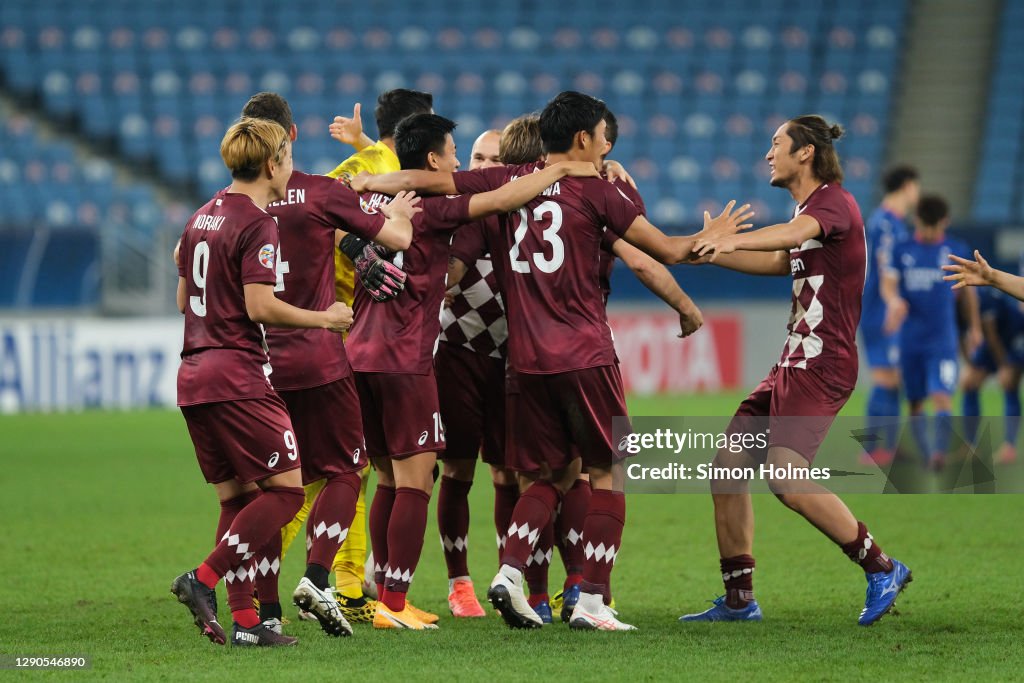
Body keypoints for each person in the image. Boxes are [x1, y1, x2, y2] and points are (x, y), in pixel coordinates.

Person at [352, 91, 751, 631]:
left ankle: (511, 572)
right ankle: (590, 600)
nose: (609, 145)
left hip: (524, 358)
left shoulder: (505, 184)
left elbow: (428, 182)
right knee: (609, 473)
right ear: (584, 139)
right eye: (605, 136)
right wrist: (712, 240)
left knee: (545, 476)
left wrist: (371, 183)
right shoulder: (600, 192)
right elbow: (667, 251)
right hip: (584, 350)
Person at [345, 112, 601, 630]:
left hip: (362, 353)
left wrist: (363, 188)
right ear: (436, 160)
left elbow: (323, 213)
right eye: (464, 155)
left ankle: (389, 595)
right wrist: (565, 169)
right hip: (417, 358)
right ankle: (397, 601)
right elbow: (500, 199)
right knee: (420, 481)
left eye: (486, 159)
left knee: (392, 479)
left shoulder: (374, 202)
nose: (469, 164)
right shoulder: (442, 209)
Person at [682, 115, 912, 626]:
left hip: (822, 363)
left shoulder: (831, 201)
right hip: (793, 361)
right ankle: (740, 601)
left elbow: (790, 235)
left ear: (805, 152)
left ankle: (882, 566)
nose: (769, 153)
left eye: (776, 143)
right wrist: (713, 254)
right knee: (727, 468)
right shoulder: (810, 211)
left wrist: (733, 239)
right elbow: (778, 260)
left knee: (786, 478)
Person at [236, 92, 420, 637]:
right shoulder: (320, 191)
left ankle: (264, 610)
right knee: (347, 470)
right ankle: (319, 578)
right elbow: (395, 237)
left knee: (276, 489)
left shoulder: (225, 205)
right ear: (291, 136)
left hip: (256, 366)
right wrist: (398, 215)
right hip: (318, 359)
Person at [169, 117, 352, 647]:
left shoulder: (200, 217)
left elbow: (184, 301)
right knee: (288, 493)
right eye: (288, 158)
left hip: (194, 375)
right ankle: (202, 579)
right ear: (272, 164)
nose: (292, 168)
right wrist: (326, 318)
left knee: (237, 498)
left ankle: (246, 621)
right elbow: (259, 305)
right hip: (238, 375)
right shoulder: (256, 222)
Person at [432, 128, 512, 619]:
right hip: (457, 354)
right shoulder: (451, 210)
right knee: (458, 470)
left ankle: (509, 576)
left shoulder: (522, 211)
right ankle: (459, 583)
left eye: (494, 159)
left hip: (514, 359)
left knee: (510, 473)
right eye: (476, 157)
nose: (482, 167)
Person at [882, 195, 980, 469]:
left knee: (941, 394)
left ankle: (938, 454)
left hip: (943, 340)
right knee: (914, 403)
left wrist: (974, 327)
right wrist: (894, 301)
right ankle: (927, 454)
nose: (929, 233)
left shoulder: (955, 249)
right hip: (909, 340)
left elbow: (969, 293)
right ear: (917, 221)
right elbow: (889, 283)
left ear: (945, 223)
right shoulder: (901, 249)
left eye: (934, 227)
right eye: (925, 226)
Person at [860, 166, 920, 465]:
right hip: (879, 307)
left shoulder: (896, 223)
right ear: (908, 186)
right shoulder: (884, 222)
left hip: (888, 306)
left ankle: (888, 447)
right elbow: (884, 266)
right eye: (915, 187)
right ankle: (873, 449)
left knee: (894, 377)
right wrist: (892, 302)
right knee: (885, 376)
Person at [958, 285, 1024, 464]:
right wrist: (970, 363)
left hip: (1014, 334)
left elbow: (992, 334)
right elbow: (960, 336)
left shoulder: (983, 298)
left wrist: (1004, 366)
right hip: (991, 342)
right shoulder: (951, 304)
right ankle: (970, 445)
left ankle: (1009, 447)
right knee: (968, 382)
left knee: (1009, 382)